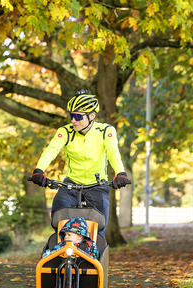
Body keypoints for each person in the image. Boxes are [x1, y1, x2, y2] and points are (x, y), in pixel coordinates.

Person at [30, 90, 129, 239]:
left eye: (78, 116)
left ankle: (95, 256)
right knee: (58, 218)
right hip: (71, 185)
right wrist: (39, 170)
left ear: (92, 116)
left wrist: (120, 173)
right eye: (71, 116)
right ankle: (60, 251)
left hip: (97, 185)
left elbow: (113, 152)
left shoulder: (105, 131)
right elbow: (51, 150)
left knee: (99, 228)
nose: (73, 121)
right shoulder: (66, 131)